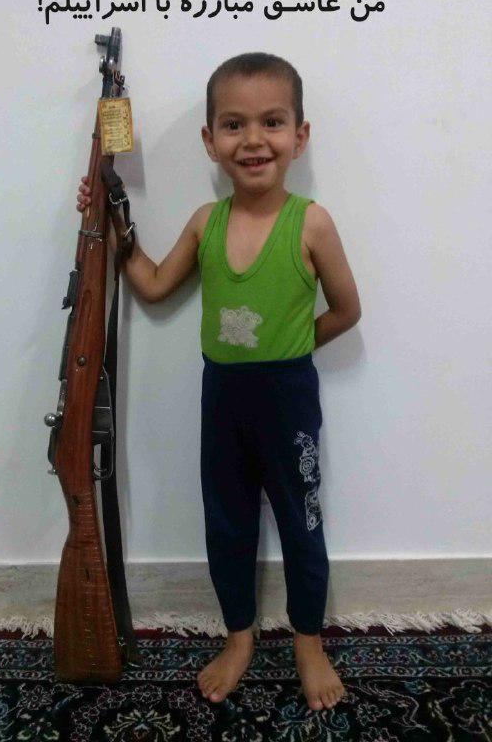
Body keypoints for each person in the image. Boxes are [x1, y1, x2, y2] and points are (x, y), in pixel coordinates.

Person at [77, 52, 360, 712]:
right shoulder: (206, 223)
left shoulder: (311, 222)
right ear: (210, 140)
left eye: (272, 122)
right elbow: (151, 285)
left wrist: (291, 348)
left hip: (289, 399)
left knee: (301, 523)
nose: (253, 140)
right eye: (234, 125)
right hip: (222, 400)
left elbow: (347, 311)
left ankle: (308, 641)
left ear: (300, 135)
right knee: (226, 524)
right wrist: (111, 224)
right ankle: (239, 637)